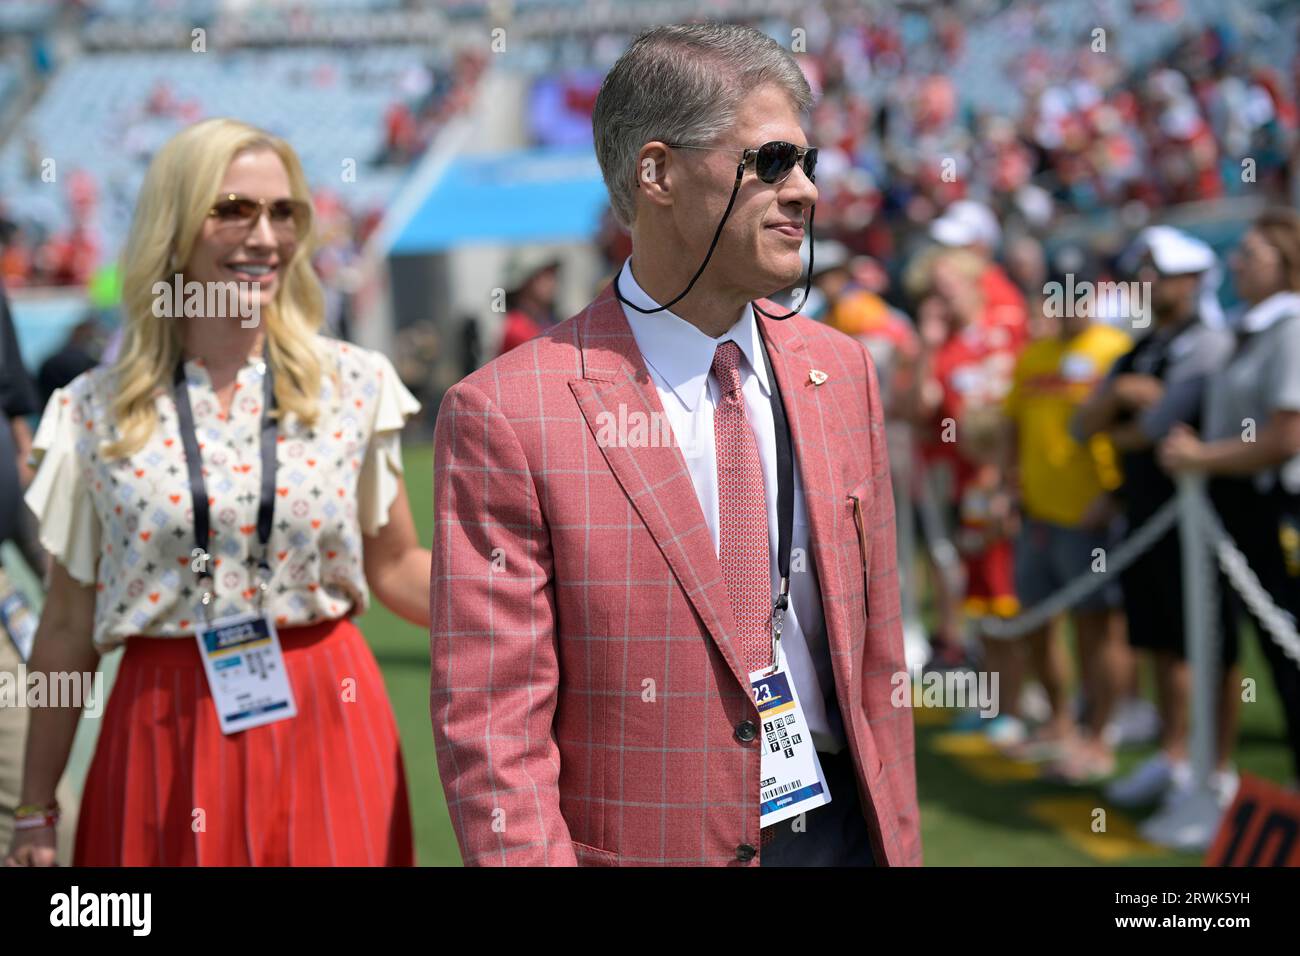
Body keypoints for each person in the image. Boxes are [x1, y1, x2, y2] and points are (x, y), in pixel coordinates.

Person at [430, 23, 920, 867]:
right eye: (770, 162)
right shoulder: (507, 413)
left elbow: (876, 665)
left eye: (807, 163)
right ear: (655, 172)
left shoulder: (843, 374)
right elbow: (492, 728)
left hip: (839, 834)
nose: (803, 189)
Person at [5, 118, 429, 867]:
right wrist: (36, 809)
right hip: (157, 724)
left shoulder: (354, 386)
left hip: (327, 711)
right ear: (174, 228)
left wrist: (545, 598)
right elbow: (67, 626)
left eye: (282, 212)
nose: (264, 236)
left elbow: (396, 566)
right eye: (232, 209)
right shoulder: (90, 412)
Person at [1074, 227, 1237, 825]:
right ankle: (1175, 757)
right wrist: (1124, 395)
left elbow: (1153, 428)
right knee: (1164, 641)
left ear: (1194, 281)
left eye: (1159, 272)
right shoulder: (1140, 348)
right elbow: (1081, 423)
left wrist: (1125, 413)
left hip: (1200, 519)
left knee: (1205, 644)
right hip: (1146, 514)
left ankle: (1212, 770)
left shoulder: (1209, 343)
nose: (1146, 282)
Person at [1159, 208, 1300, 848]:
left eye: (1253, 254)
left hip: (1273, 512)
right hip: (1236, 510)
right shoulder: (1249, 328)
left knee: (1285, 658)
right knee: (1222, 649)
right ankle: (1212, 784)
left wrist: (1201, 457)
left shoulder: (1289, 328)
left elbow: (1285, 438)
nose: (1238, 263)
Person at [999, 267, 1133, 782]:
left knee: (1097, 628)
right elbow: (1014, 425)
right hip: (1038, 513)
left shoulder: (1113, 349)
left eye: (1079, 295)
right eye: (1059, 296)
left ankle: (1099, 736)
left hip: (1090, 515)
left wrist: (1115, 494)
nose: (1068, 305)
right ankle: (1059, 723)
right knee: (1036, 621)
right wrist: (1008, 488)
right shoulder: (1034, 355)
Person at [495, 253, 560, 356]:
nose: (552, 282)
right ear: (525, 282)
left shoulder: (548, 319)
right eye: (545, 275)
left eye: (553, 274)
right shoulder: (516, 328)